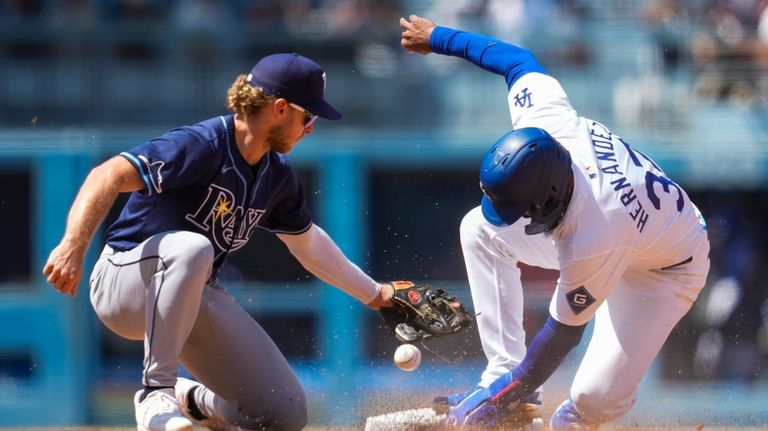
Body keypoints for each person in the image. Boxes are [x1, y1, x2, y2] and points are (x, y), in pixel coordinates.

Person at [42, 53, 395, 431]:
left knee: (286, 414)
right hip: (123, 283)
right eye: (308, 117)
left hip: (188, 297)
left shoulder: (277, 176)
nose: (310, 128)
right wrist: (72, 247)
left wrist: (377, 295)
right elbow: (106, 174)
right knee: (194, 248)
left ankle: (194, 400)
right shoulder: (202, 145)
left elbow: (309, 246)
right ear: (279, 108)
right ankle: (154, 391)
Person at [400, 15, 710, 429]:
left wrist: (500, 400)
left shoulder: (595, 231)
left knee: (589, 401)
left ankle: (558, 410)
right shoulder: (546, 124)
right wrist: (438, 37)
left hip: (664, 270)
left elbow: (561, 335)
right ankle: (499, 371)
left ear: (545, 195)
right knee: (479, 229)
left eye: (523, 207)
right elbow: (515, 60)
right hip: (633, 230)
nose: (518, 218)